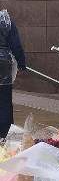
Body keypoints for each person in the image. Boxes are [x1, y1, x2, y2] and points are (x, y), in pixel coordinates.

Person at [0, 9, 25, 138]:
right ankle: (4, 135)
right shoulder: (6, 20)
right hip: (4, 64)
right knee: (4, 100)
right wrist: (21, 63)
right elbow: (16, 45)